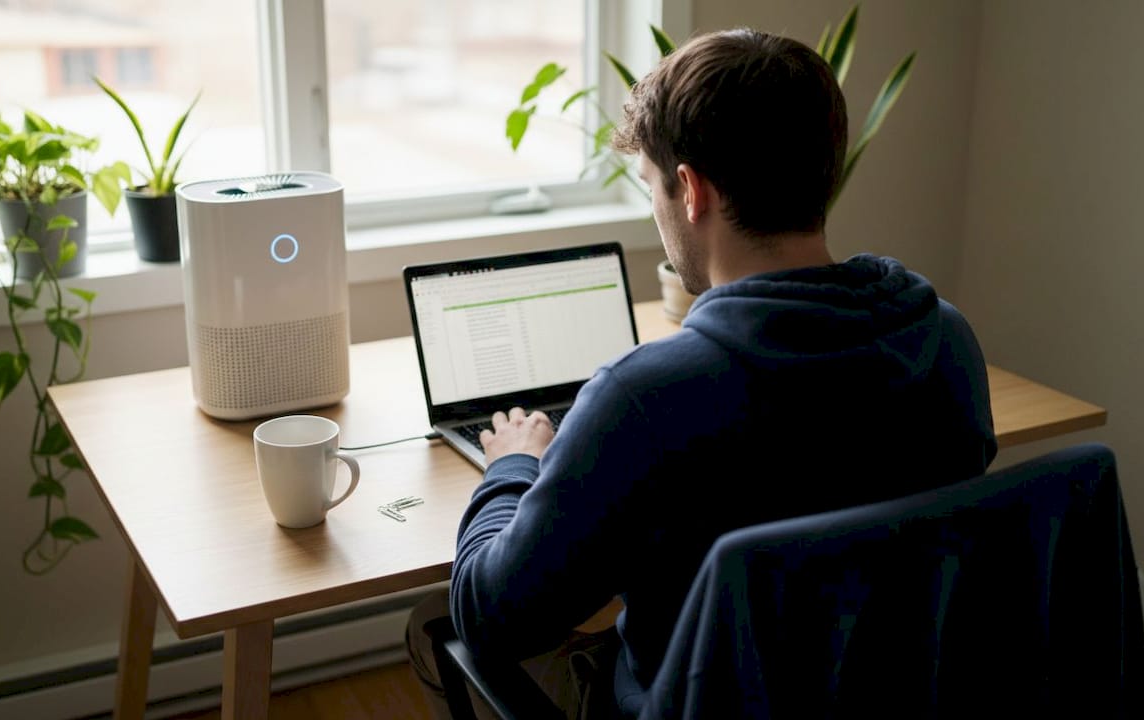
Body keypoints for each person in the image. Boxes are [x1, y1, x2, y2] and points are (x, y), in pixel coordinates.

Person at [406, 27, 997, 720]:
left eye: (652, 186)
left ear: (690, 191)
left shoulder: (647, 398)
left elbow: (491, 614)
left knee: (436, 628)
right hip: (896, 691)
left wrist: (514, 467)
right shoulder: (947, 340)